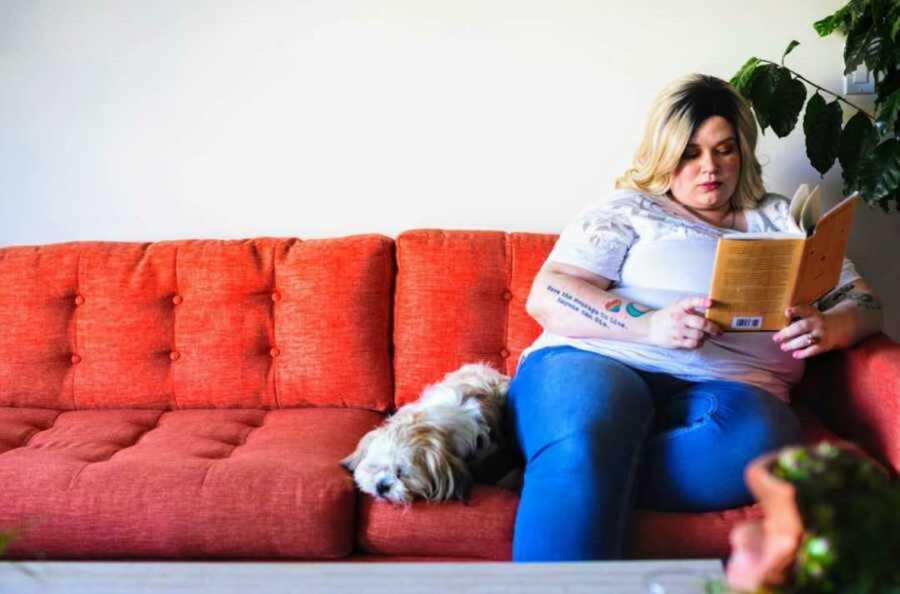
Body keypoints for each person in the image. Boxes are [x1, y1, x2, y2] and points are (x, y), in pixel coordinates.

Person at [506, 74, 883, 562]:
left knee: (759, 442)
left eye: (724, 150)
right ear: (665, 155)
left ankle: (558, 467)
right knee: (587, 434)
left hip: (736, 388)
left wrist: (832, 327)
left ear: (742, 152)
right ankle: (569, 459)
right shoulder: (629, 209)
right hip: (600, 359)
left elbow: (868, 305)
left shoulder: (783, 220)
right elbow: (548, 294)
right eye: (690, 153)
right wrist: (648, 323)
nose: (710, 168)